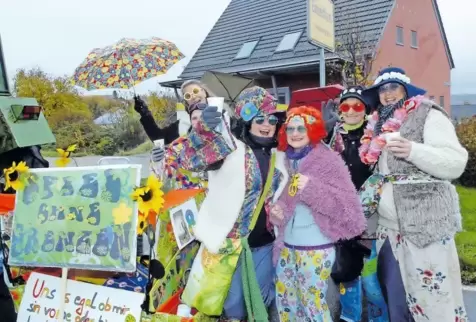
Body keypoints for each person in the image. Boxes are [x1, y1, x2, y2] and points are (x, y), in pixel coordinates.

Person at [359, 67, 469, 321]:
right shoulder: (377, 125)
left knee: (434, 302)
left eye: (393, 88)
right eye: (382, 90)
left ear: (406, 90)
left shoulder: (428, 114)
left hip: (424, 228)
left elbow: (455, 162)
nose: (387, 95)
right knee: (397, 301)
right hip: (388, 231)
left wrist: (412, 151)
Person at [171, 86, 288, 321]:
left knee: (262, 299)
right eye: (259, 119)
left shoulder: (280, 156)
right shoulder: (229, 148)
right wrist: (203, 129)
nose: (267, 124)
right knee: (233, 305)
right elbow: (189, 158)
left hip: (264, 242)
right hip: (229, 242)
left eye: (272, 119)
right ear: (246, 121)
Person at [269, 106, 366, 322]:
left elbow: (349, 211)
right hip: (286, 246)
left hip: (316, 247)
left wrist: (310, 189)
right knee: (286, 303)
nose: (295, 133)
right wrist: (276, 213)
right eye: (290, 128)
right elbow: (285, 202)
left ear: (313, 129)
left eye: (301, 128)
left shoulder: (328, 161)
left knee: (312, 306)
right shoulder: (284, 160)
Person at [329, 87, 389, 322]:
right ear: (339, 110)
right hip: (341, 217)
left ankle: (379, 318)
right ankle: (350, 316)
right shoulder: (332, 138)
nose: (351, 111)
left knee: (370, 279)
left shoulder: (377, 136)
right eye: (345, 106)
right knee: (347, 274)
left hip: (368, 219)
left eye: (357, 106)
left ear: (366, 110)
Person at [134, 79, 217, 144]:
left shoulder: (222, 114)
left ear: (204, 92)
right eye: (188, 95)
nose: (193, 96)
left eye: (195, 91)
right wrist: (145, 113)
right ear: (186, 101)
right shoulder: (184, 123)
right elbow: (160, 138)